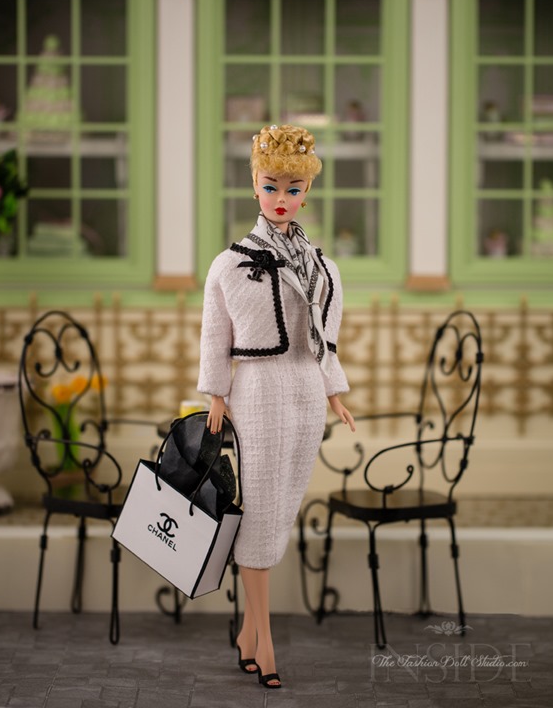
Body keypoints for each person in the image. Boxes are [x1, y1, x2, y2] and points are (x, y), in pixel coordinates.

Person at [197, 123, 355, 689]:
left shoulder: (323, 266)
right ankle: (264, 639)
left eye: (292, 188)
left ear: (307, 192)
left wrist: (334, 391)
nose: (281, 198)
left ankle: (247, 632)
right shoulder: (230, 263)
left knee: (283, 504)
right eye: (271, 187)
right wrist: (216, 392)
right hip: (258, 391)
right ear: (254, 188)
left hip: (306, 390)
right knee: (261, 509)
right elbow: (214, 336)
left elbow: (326, 341)